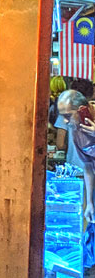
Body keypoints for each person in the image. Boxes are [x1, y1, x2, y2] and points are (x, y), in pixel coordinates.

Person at [57, 89, 95, 222]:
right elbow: (88, 166)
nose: (66, 122)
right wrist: (89, 202)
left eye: (68, 116)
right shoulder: (76, 130)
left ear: (82, 110)